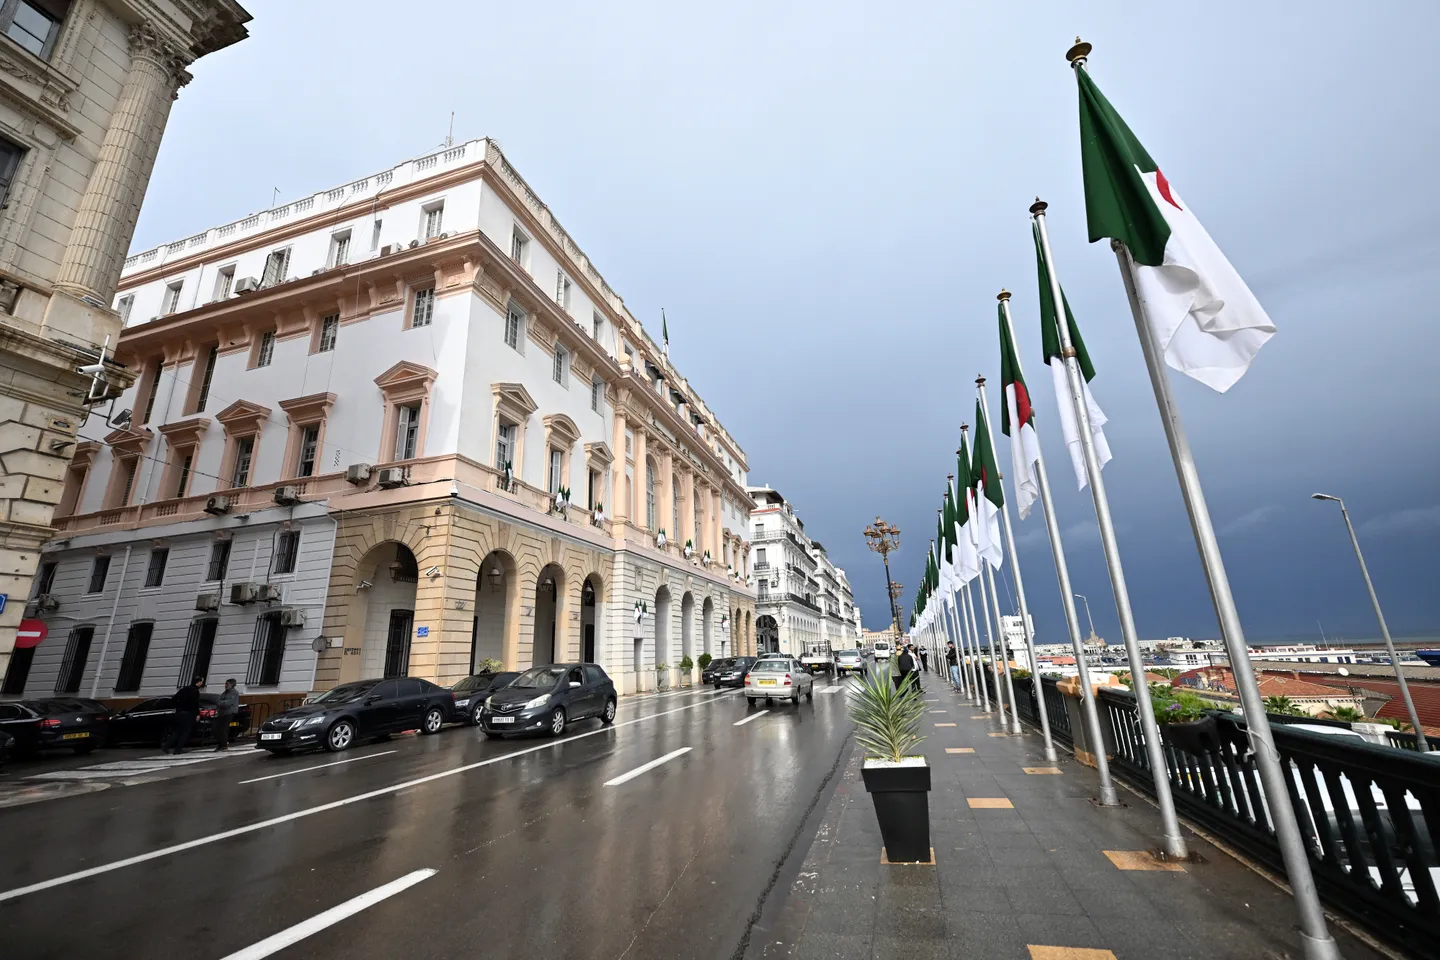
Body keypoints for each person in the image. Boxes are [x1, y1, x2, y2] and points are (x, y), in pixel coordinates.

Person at [166, 676, 204, 754]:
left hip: (180, 712)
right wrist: (197, 714)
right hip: (189, 713)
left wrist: (179, 707)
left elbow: (174, 699)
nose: (202, 683)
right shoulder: (195, 691)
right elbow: (195, 703)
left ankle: (167, 746)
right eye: (202, 682)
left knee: (177, 731)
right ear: (199, 682)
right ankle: (178, 749)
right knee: (185, 731)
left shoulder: (184, 689)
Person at [213, 678, 240, 751]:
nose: (225, 685)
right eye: (225, 684)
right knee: (217, 728)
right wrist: (221, 703)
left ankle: (223, 745)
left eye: (227, 684)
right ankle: (220, 744)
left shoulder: (234, 693)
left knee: (223, 729)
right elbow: (218, 700)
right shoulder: (225, 692)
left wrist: (221, 703)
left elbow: (228, 703)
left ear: (232, 685)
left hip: (229, 712)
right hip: (222, 712)